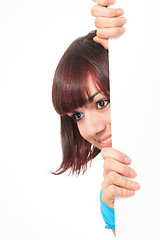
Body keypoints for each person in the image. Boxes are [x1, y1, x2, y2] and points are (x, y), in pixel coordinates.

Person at [52, 0, 140, 236]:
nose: (91, 128)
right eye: (77, 115)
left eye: (102, 102)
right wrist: (119, 215)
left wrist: (133, 33)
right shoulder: (110, 195)